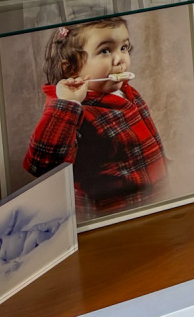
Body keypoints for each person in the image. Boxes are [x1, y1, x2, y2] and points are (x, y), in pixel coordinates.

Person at [25, 18, 167, 217]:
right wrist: (69, 104)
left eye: (124, 48)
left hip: (151, 202)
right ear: (71, 68)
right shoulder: (68, 110)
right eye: (105, 51)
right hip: (111, 214)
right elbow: (42, 164)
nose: (120, 60)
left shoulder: (126, 92)